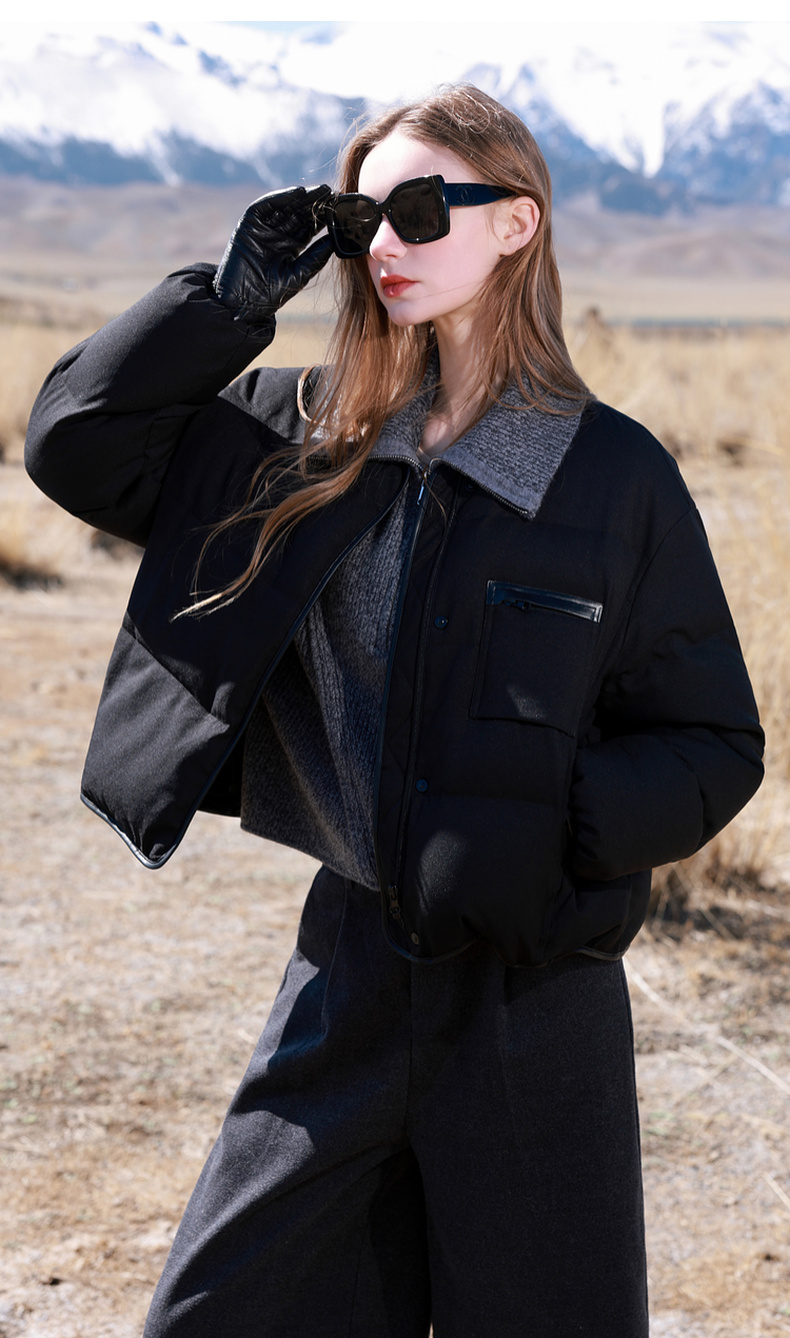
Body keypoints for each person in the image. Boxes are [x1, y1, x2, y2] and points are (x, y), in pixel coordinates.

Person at [25, 85, 763, 1337]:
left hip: (531, 993)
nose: (384, 245)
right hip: (344, 972)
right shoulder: (301, 435)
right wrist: (227, 303)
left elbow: (713, 742)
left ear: (516, 224)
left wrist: (549, 830)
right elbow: (75, 441)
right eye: (364, 217)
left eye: (421, 210)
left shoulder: (610, 475)